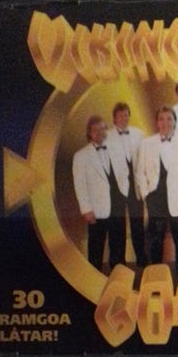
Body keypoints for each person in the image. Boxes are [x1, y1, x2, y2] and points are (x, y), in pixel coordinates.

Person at [136, 106, 178, 277]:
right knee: (155, 244)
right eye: (161, 119)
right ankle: (156, 280)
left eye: (169, 119)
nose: (165, 123)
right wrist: (146, 193)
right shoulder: (146, 144)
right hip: (156, 200)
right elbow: (140, 172)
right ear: (157, 122)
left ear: (175, 122)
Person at [72, 115, 126, 271]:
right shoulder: (81, 156)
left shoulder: (116, 149)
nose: (100, 132)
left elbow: (124, 173)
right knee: (96, 247)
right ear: (89, 133)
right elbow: (80, 185)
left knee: (118, 245)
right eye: (96, 130)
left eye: (103, 129)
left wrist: (124, 195)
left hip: (117, 206)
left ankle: (119, 277)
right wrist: (86, 209)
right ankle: (94, 280)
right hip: (96, 209)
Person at [105, 102, 148, 267]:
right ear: (114, 119)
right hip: (116, 187)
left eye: (126, 115)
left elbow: (144, 159)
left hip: (135, 185)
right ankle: (117, 261)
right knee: (117, 225)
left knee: (138, 223)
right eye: (120, 116)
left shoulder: (139, 134)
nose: (124, 118)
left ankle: (141, 258)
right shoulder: (106, 136)